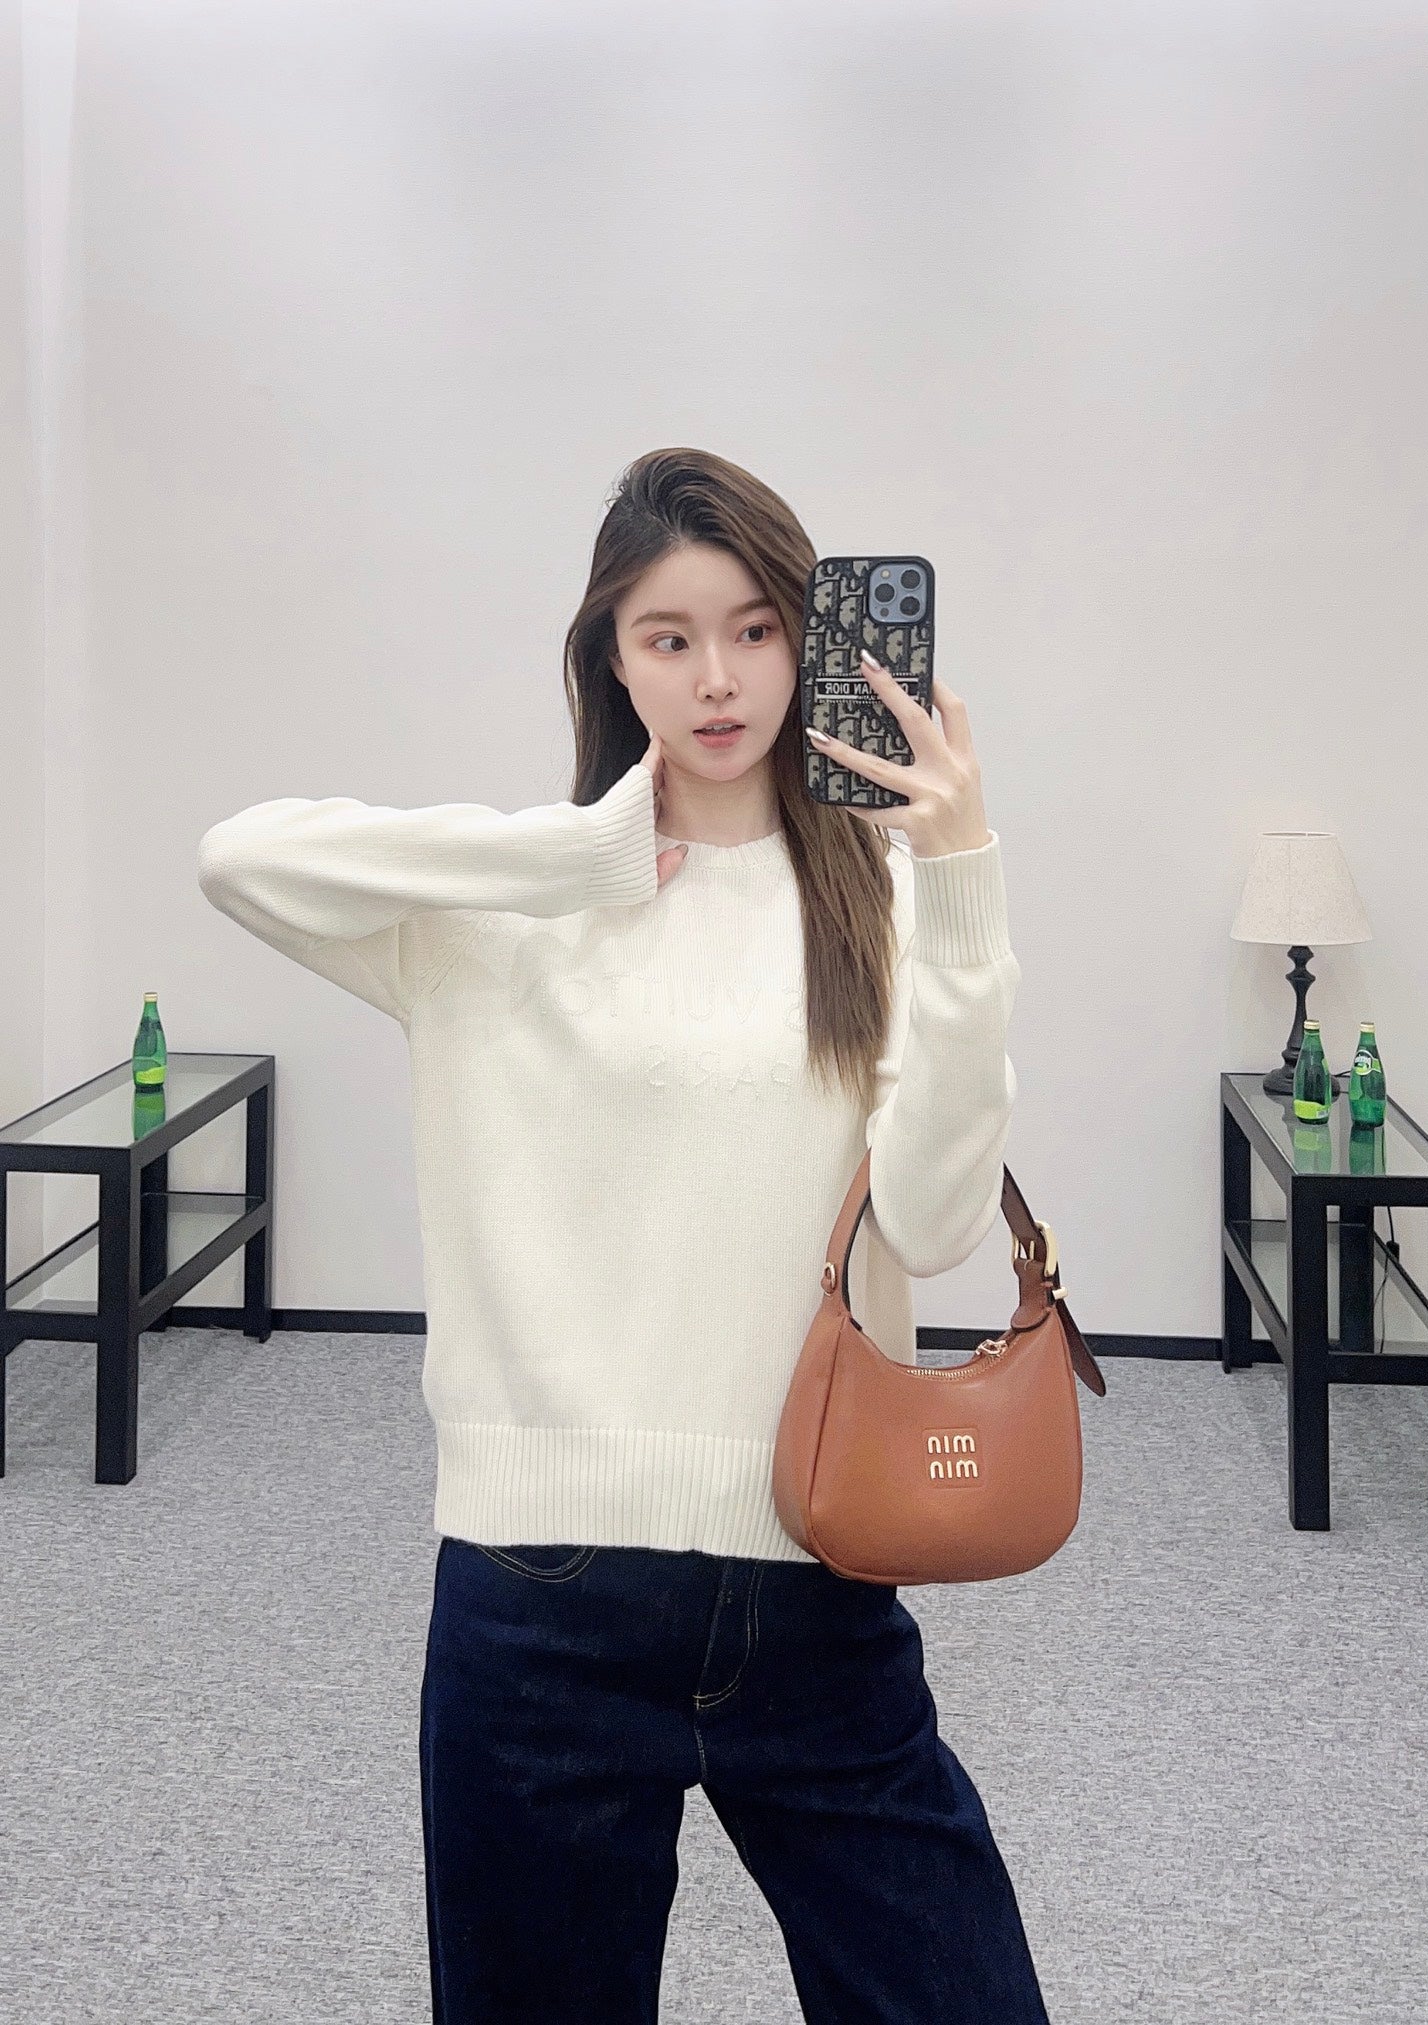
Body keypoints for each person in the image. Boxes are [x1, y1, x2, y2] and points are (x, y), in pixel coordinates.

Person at [196, 446, 1049, 2023]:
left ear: (808, 640)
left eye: (755, 629)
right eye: (669, 636)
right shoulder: (502, 907)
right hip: (543, 1595)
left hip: (813, 1572)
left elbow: (934, 1224)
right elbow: (239, 859)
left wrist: (963, 878)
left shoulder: (880, 898)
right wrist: (574, 855)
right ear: (612, 656)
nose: (718, 678)